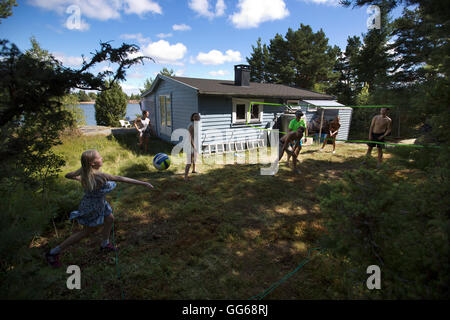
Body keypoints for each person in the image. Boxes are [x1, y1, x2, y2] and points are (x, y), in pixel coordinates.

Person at [45, 149, 154, 268]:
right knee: (86, 231)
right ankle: (53, 252)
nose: (102, 158)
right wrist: (144, 183)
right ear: (92, 163)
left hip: (96, 202)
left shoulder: (85, 172)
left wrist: (79, 177)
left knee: (110, 219)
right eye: (99, 157)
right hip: (94, 206)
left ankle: (105, 244)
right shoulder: (100, 176)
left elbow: (68, 175)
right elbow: (121, 178)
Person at [184, 113, 201, 181]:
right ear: (192, 118)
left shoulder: (197, 125)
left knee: (195, 159)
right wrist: (194, 146)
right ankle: (185, 177)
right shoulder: (191, 125)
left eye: (198, 116)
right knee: (189, 162)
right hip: (190, 145)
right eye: (195, 116)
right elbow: (190, 137)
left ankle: (194, 170)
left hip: (195, 144)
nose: (197, 117)